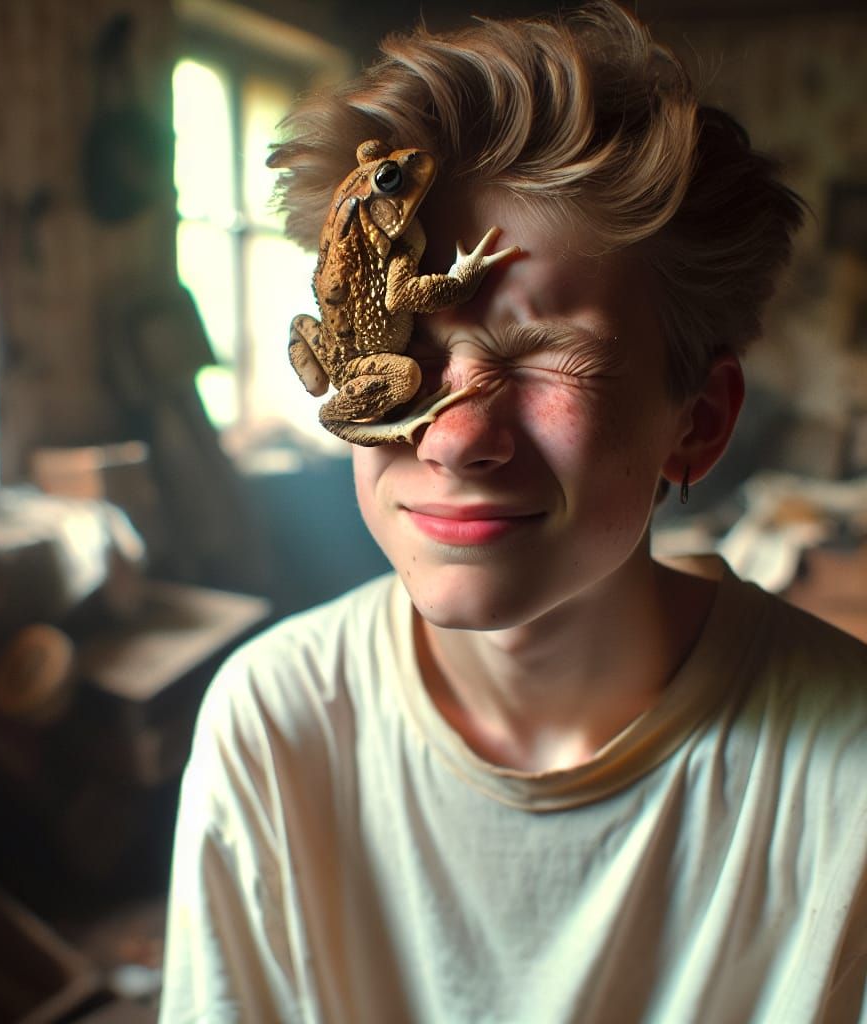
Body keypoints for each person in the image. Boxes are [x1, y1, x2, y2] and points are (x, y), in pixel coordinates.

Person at [159, 3, 867, 1021]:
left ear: (697, 424)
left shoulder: (840, 774)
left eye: (543, 358)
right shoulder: (274, 722)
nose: (452, 437)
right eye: (412, 357)